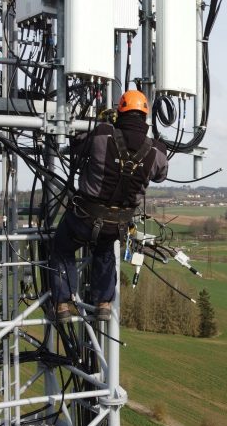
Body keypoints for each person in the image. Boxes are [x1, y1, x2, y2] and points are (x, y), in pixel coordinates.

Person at [49, 90, 169, 323]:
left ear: (120, 111)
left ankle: (62, 304)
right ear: (145, 116)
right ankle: (104, 302)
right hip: (118, 224)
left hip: (84, 218)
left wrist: (102, 122)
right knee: (104, 249)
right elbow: (161, 174)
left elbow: (76, 146)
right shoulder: (155, 151)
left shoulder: (102, 134)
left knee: (62, 247)